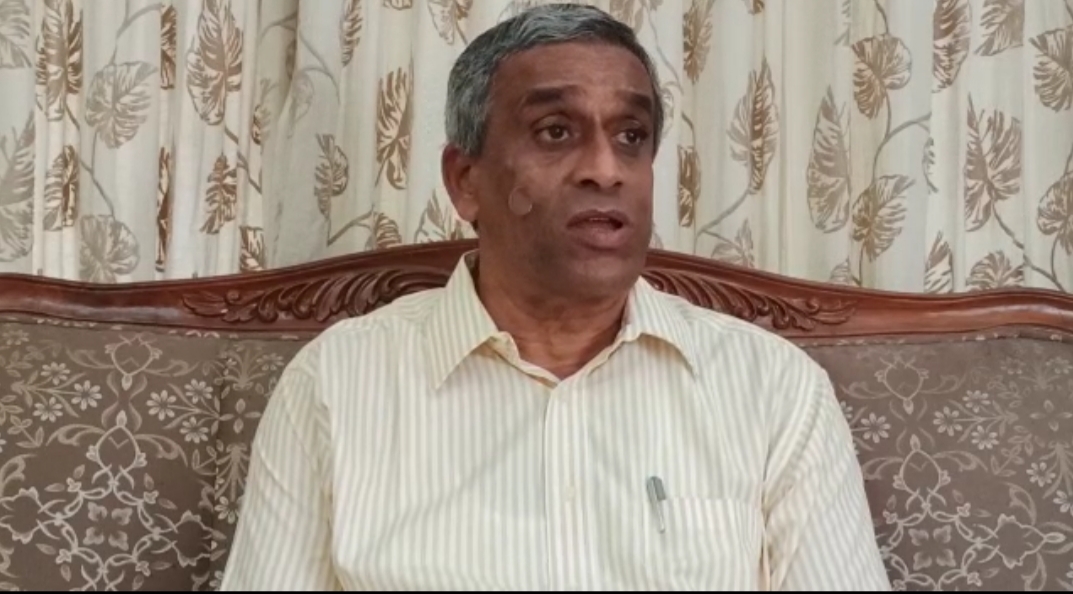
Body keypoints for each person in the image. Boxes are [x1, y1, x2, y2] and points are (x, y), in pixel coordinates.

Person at [220, 4, 890, 591]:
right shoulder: (336, 386)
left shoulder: (772, 391)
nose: (605, 169)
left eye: (631, 137)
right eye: (555, 132)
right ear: (465, 180)